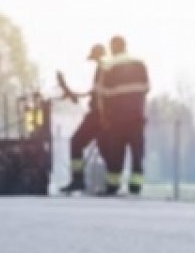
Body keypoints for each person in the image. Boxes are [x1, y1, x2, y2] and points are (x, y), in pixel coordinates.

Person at [96, 35, 150, 196]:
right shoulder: (140, 63)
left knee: (115, 153)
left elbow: (101, 95)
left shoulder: (108, 66)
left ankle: (113, 185)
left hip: (116, 119)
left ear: (113, 47)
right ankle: (135, 186)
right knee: (137, 153)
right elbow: (146, 88)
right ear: (125, 45)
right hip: (136, 117)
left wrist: (104, 117)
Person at [59, 43, 108, 194]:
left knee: (77, 142)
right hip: (104, 114)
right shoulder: (105, 69)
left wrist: (71, 92)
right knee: (105, 148)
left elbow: (97, 93)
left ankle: (78, 180)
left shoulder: (104, 68)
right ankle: (109, 184)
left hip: (99, 114)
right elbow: (92, 92)